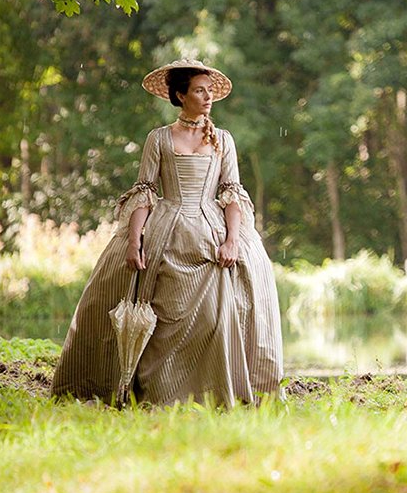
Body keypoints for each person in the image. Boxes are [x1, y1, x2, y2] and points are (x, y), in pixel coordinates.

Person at [51, 58, 283, 406]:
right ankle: (157, 395)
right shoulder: (158, 139)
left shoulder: (223, 140)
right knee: (158, 320)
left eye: (210, 92)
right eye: (199, 91)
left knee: (216, 317)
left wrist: (233, 240)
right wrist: (133, 242)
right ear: (180, 95)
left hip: (212, 234)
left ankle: (213, 392)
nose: (207, 98)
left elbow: (232, 192)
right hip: (167, 231)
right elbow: (144, 191)